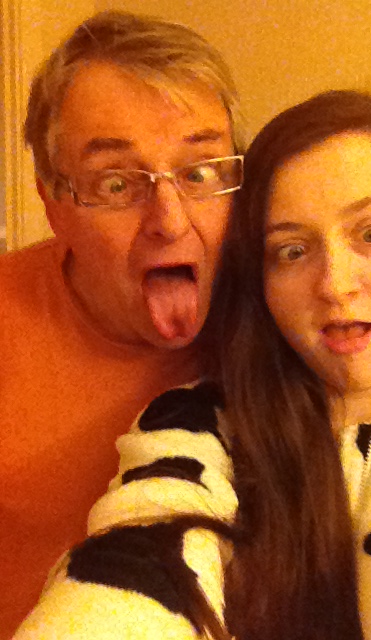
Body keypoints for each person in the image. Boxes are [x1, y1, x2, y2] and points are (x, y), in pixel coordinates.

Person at [13, 92, 371, 640]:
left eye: (370, 234)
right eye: (292, 251)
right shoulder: (200, 427)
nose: (335, 285)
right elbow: (140, 555)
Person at [0, 9, 244, 638]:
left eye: (199, 172)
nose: (169, 220)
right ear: (55, 204)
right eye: (116, 184)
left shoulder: (277, 322)